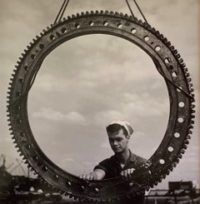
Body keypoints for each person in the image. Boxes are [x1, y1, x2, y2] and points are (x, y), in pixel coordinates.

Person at [81, 121, 150, 203]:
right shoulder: (106, 164)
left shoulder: (142, 163)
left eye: (118, 139)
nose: (115, 144)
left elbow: (149, 180)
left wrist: (136, 173)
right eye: (111, 140)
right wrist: (91, 176)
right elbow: (98, 173)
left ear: (128, 137)